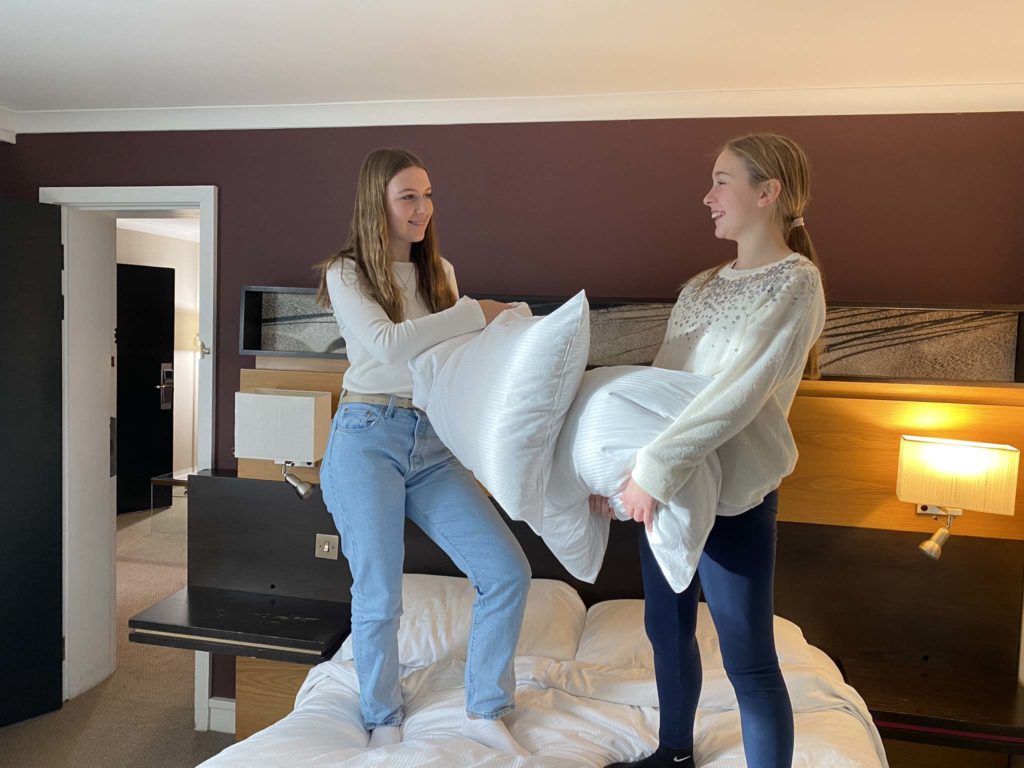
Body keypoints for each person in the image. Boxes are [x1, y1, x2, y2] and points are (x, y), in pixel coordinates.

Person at [599, 133, 827, 768]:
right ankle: (674, 755)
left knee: (748, 657)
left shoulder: (796, 283)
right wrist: (621, 471)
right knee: (666, 634)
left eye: (722, 181)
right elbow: (659, 392)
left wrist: (653, 471)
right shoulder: (699, 286)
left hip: (733, 495)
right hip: (666, 489)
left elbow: (739, 393)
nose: (707, 197)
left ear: (767, 192)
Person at [314, 147, 532, 756]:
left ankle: (486, 707)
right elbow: (386, 346)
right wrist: (472, 313)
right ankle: (382, 714)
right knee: (380, 592)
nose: (423, 208)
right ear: (377, 203)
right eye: (408, 196)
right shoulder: (348, 273)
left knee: (507, 571)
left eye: (428, 195)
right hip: (367, 436)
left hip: (433, 443)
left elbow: (453, 363)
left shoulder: (442, 274)